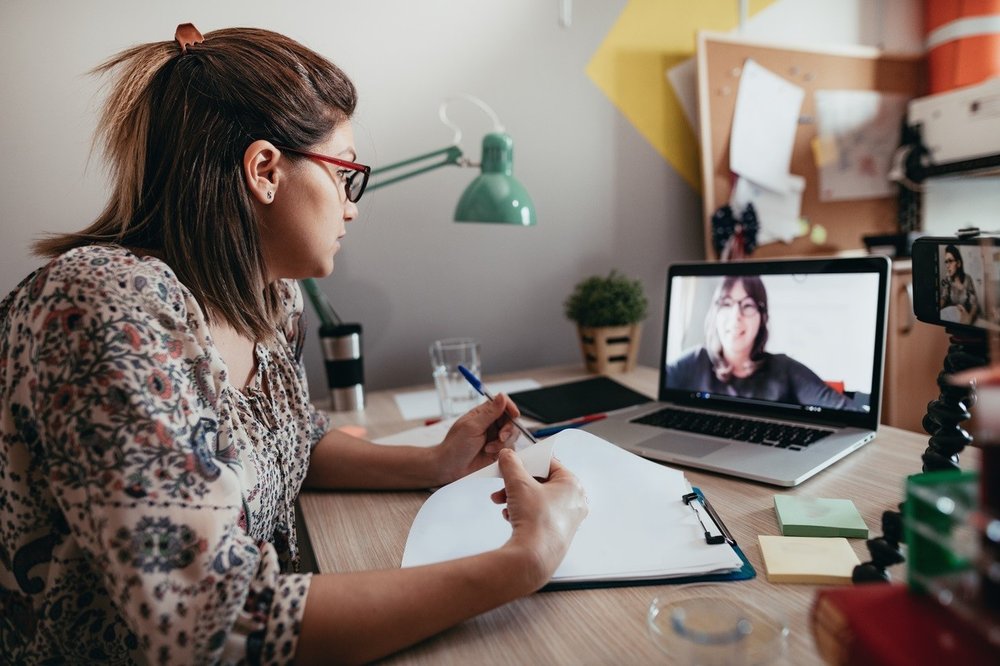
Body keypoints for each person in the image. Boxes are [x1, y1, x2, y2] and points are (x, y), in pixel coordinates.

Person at [0, 24, 588, 665]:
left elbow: (293, 440)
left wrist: (433, 463)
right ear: (264, 170)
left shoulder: (273, 303)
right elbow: (212, 627)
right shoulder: (109, 309)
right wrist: (524, 561)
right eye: (346, 175)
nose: (353, 206)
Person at [666, 275, 851, 409]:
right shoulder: (695, 361)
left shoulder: (785, 369)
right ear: (715, 313)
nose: (735, 316)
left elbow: (846, 411)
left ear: (762, 318)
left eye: (747, 305)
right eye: (727, 304)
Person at [939, 244, 980, 325]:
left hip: (965, 316)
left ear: (958, 263)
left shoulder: (967, 279)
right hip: (954, 316)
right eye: (946, 262)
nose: (947, 266)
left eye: (950, 261)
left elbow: (974, 304)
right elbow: (944, 297)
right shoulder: (948, 279)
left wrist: (969, 319)